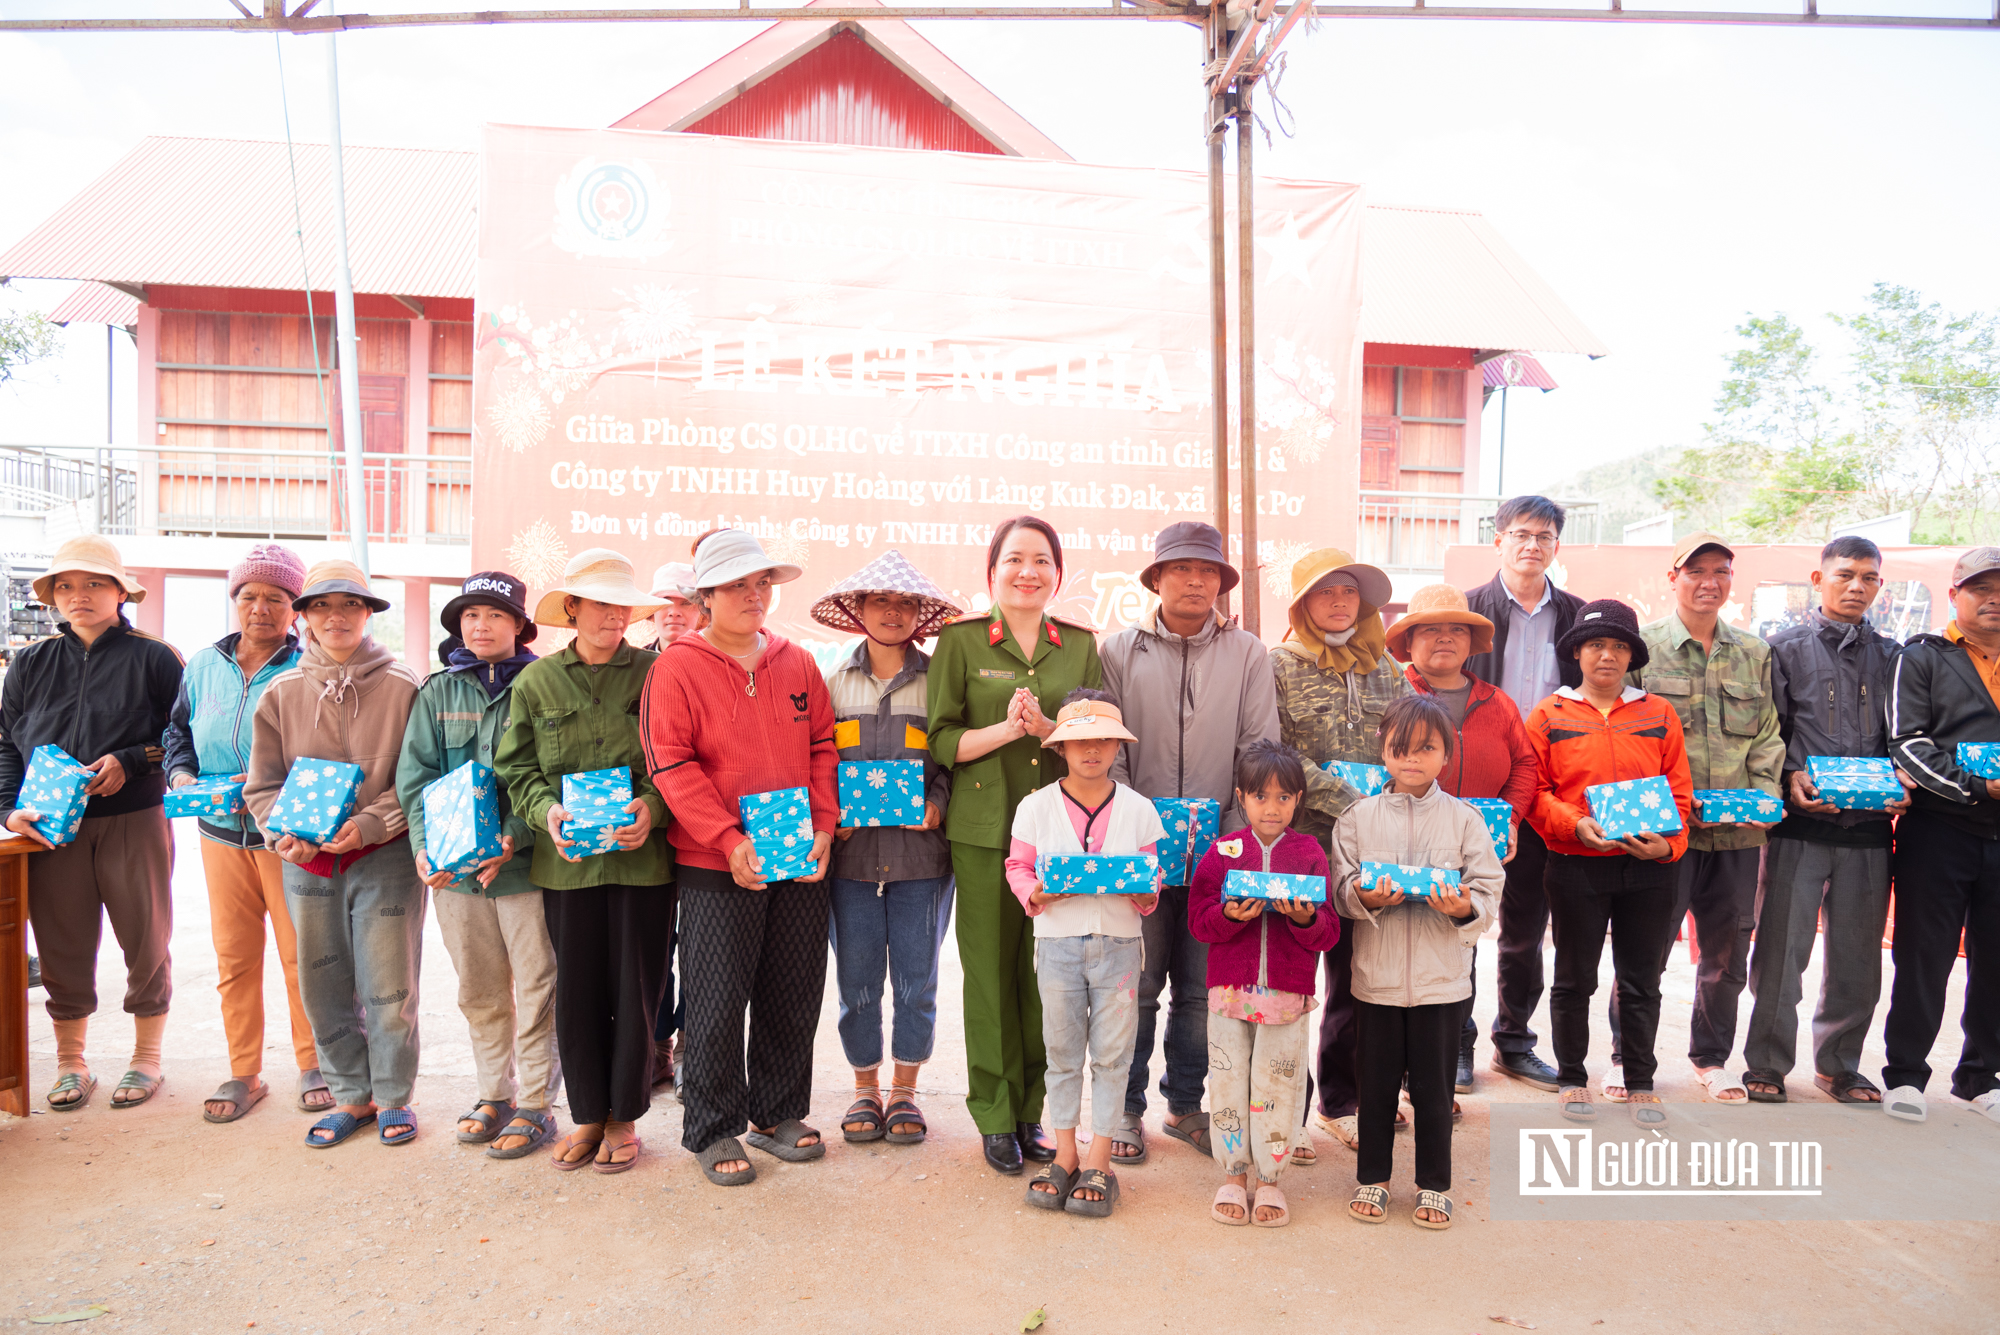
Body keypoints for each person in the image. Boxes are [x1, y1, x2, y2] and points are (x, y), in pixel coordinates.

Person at [642, 528, 837, 1186]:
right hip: (713, 861)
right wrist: (729, 840)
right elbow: (671, 763)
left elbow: (822, 749)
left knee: (792, 990)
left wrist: (824, 827)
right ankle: (712, 1125)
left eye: (763, 584)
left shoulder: (798, 662)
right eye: (737, 586)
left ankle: (777, 1111)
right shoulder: (676, 667)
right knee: (717, 1000)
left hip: (797, 859)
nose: (755, 596)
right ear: (705, 596)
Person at [1101, 521, 1279, 1166]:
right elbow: (1107, 746)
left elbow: (1258, 750)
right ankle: (1124, 1108)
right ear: (1156, 578)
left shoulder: (1248, 654)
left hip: (1217, 853)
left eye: (1209, 572)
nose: (1196, 580)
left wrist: (1233, 846)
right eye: (1181, 569)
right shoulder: (1117, 650)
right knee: (1139, 984)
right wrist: (1132, 830)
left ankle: (1185, 1105)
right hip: (1138, 850)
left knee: (1202, 991)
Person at [929, 516, 1102, 1176]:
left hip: (1059, 834)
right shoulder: (962, 641)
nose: (1028, 570)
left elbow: (1097, 734)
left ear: (1057, 573)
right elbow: (943, 738)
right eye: (1014, 559)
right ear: (992, 571)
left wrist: (1051, 727)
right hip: (982, 832)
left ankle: (1037, 1110)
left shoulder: (1082, 647)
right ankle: (995, 1114)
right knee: (990, 975)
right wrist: (1007, 729)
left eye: (1041, 560)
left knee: (1049, 979)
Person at [495, 549, 673, 1172]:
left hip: (642, 862)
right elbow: (516, 769)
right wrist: (547, 812)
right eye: (599, 604)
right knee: (577, 990)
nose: (612, 616)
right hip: (566, 863)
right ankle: (587, 1115)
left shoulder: (658, 674)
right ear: (571, 609)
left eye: (621, 605)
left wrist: (653, 807)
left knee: (638, 988)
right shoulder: (536, 681)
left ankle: (624, 1118)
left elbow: (675, 759)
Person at [244, 561, 424, 1147]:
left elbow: (418, 778)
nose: (336, 617)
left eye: (350, 605)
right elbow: (263, 786)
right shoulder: (281, 693)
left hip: (387, 857)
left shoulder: (404, 686)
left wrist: (373, 822)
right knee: (321, 979)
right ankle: (351, 1095)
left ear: (369, 615)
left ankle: (394, 1096)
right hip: (306, 863)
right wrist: (283, 833)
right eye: (322, 606)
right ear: (304, 619)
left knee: (389, 981)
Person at [0, 536, 183, 1111]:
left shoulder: (156, 657)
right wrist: (8, 809)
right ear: (52, 596)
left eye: (93, 583)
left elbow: (180, 736)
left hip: (134, 819)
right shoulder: (28, 662)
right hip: (50, 830)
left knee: (146, 937)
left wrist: (130, 761)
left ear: (120, 592)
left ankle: (146, 1059)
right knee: (60, 943)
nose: (78, 595)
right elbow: (5, 743)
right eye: (65, 586)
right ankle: (70, 1063)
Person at [1609, 533, 1783, 1106]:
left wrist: (1759, 796)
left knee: (1728, 951)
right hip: (1666, 834)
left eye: (1721, 571)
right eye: (1696, 570)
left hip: (1737, 833)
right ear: (1673, 576)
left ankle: (1710, 1058)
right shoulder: (1644, 650)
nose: (1709, 581)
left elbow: (1766, 735)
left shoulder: (1754, 652)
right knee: (1645, 949)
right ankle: (1625, 1059)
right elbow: (1627, 737)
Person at [398, 570, 562, 1160]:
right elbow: (415, 779)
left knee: (540, 986)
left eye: (494, 615)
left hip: (526, 870)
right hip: (455, 877)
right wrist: (425, 847)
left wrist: (513, 838)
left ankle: (538, 1105)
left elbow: (549, 777)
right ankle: (495, 1094)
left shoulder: (542, 685)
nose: (481, 625)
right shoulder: (438, 691)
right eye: (470, 616)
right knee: (481, 990)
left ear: (519, 625)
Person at [1744, 537, 1909, 1104]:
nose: (1856, 586)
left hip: (1869, 829)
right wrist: (1791, 777)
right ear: (1819, 580)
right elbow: (1769, 730)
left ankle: (1838, 1065)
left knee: (1858, 956)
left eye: (1868, 577)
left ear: (1880, 587)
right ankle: (1766, 1062)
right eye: (1845, 575)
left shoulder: (1894, 656)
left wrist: (1904, 782)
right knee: (1781, 951)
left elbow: (1905, 735)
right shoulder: (1782, 650)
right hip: (1800, 825)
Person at [162, 543, 319, 1122]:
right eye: (249, 596)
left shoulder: (307, 666)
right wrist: (180, 774)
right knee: (234, 956)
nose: (260, 608)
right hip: (219, 832)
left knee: (302, 953)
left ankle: (314, 1063)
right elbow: (177, 730)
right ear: (234, 600)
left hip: (284, 835)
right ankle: (243, 1072)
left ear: (294, 608)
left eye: (275, 598)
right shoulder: (202, 664)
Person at [1334, 696, 1501, 1229]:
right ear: (1383, 752)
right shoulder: (1357, 817)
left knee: (1434, 1090)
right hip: (1376, 981)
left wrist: (1463, 907)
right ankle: (1373, 1180)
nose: (1412, 760)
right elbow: (1340, 887)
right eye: (1400, 749)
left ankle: (1434, 1183)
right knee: (1376, 1086)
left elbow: (1488, 886)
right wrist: (1366, 898)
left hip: (1442, 983)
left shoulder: (1464, 818)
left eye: (1426, 748)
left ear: (1446, 753)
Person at [810, 551, 960, 1147]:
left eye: (905, 604)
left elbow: (951, 758)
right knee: (856, 980)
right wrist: (828, 814)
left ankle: (905, 1092)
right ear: (859, 610)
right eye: (880, 602)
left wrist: (939, 803)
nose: (893, 613)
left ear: (920, 615)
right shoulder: (828, 682)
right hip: (848, 862)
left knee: (917, 981)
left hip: (923, 862)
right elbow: (816, 759)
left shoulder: (940, 681)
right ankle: (864, 1089)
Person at [1524, 599, 1691, 1128]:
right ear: (1577, 651)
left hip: (1649, 867)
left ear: (1632, 657)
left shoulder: (1659, 713)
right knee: (1575, 978)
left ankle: (1639, 1080)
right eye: (1597, 644)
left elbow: (1680, 795)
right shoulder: (1550, 713)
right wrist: (1573, 824)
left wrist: (1670, 846)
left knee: (1642, 979)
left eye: (1620, 646)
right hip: (1575, 864)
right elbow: (1534, 793)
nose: (1607, 656)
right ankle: (1572, 1076)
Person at [1269, 547, 1406, 1152]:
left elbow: (1410, 746)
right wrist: (1344, 793)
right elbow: (1269, 749)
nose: (1340, 601)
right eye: (1326, 591)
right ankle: (1285, 1113)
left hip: (1370, 849)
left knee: (1355, 979)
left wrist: (1390, 800)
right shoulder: (1277, 664)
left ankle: (1340, 1101)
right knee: (1291, 977)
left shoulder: (1388, 670)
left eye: (1350, 590)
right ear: (1302, 602)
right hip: (1300, 844)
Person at [1005, 692, 1163, 1217]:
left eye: (1103, 740)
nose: (1091, 749)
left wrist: (1145, 893)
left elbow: (1150, 876)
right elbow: (1018, 867)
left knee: (1115, 1054)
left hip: (1119, 945)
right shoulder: (1035, 806)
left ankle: (1101, 1159)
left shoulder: (1139, 810)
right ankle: (1065, 1152)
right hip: (1057, 944)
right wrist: (1037, 894)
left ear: (1118, 745)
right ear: (1061, 747)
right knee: (1063, 1052)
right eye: (1079, 741)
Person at [1386, 583, 1537, 1105]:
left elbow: (1525, 764)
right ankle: (1397, 1062)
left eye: (1456, 629)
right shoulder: (1392, 692)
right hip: (1401, 844)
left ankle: (1456, 1050)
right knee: (1399, 947)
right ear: (1409, 641)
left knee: (1460, 945)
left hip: (1473, 848)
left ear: (1472, 642)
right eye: (1430, 628)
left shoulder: (1497, 703)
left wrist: (1510, 820)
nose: (1444, 638)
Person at [1188, 740, 1339, 1227]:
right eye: (1260, 797)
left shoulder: (1310, 852)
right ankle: (1233, 1172)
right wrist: (1230, 914)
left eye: (1282, 797)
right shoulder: (1223, 851)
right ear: (1241, 797)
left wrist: (1304, 919)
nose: (1271, 808)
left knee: (1279, 1085)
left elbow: (1329, 931)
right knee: (1230, 1082)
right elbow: (1199, 921)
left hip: (1286, 998)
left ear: (1298, 799)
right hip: (1229, 994)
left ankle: (1271, 1179)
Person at [1464, 495, 1585, 1094]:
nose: (1532, 544)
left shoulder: (1581, 618)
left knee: (1524, 927)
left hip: (1549, 791)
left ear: (1557, 544)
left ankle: (1512, 1042)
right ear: (1499, 541)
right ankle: (1455, 1044)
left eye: (1544, 535)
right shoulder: (1467, 612)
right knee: (1457, 918)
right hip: (1475, 789)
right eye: (1520, 533)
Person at [1881, 547, 2000, 1125]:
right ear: (1955, 595)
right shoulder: (1922, 656)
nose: (1994, 599)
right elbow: (1907, 742)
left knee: (1996, 960)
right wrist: (1978, 788)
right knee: (1923, 956)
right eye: (1982, 588)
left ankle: (1981, 1076)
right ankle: (1905, 1074)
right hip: (1941, 829)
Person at [643, 559, 702, 1093]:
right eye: (664, 604)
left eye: (685, 602)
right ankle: (657, 1044)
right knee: (658, 943)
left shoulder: (716, 667)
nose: (674, 614)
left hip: (705, 835)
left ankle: (689, 1046)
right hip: (647, 839)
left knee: (701, 948)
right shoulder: (636, 669)